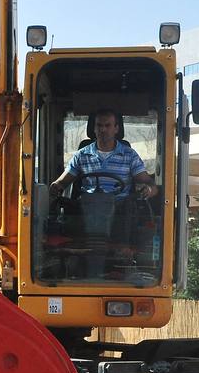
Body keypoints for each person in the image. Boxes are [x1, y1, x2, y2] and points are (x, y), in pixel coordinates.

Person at [50, 109, 157, 277]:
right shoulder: (81, 155)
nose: (103, 129)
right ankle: (77, 257)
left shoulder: (129, 155)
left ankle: (118, 257)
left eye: (108, 125)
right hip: (86, 210)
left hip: (120, 212)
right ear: (93, 128)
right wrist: (56, 186)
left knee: (127, 207)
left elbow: (149, 183)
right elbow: (63, 181)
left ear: (116, 129)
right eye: (99, 125)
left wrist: (147, 190)